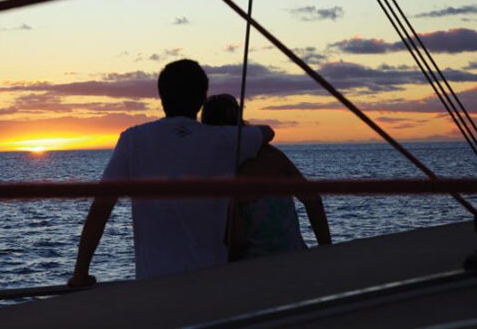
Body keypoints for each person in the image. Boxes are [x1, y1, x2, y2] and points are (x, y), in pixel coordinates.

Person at [68, 60, 274, 286]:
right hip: (212, 282)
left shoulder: (133, 140)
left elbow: (101, 208)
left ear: (161, 97)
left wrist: (80, 273)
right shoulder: (224, 140)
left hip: (154, 285)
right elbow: (267, 132)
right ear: (202, 98)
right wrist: (230, 131)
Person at [201, 94, 332, 260]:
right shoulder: (273, 155)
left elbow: (238, 241)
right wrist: (327, 250)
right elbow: (312, 200)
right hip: (296, 256)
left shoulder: (221, 169)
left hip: (253, 268)